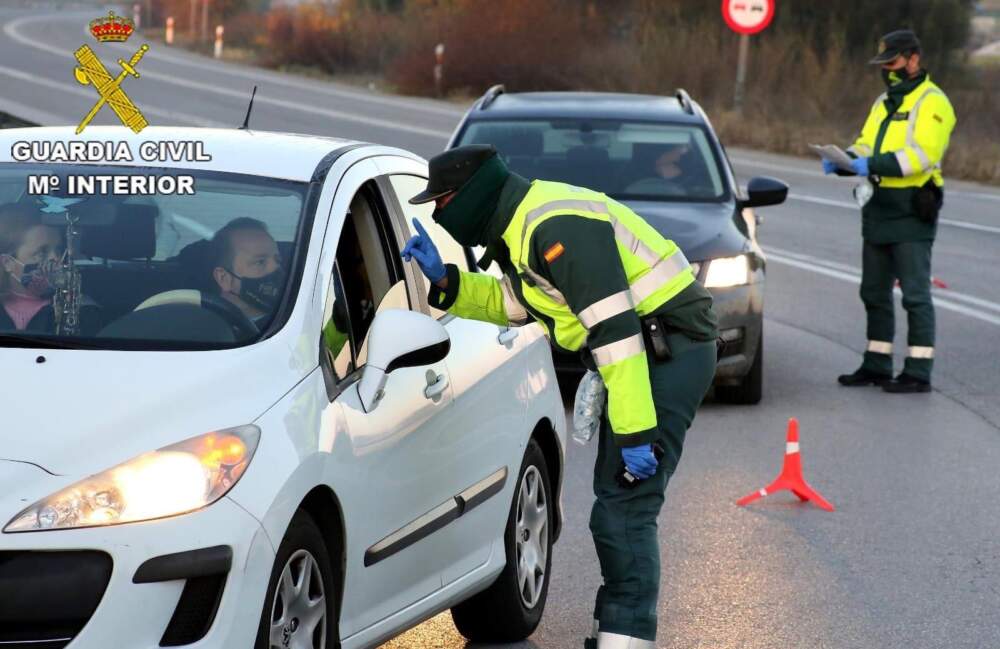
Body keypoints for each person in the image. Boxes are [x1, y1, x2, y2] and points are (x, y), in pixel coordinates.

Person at [402, 144, 719, 648]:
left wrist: (638, 433)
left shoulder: (553, 227)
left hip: (664, 352)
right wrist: (446, 282)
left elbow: (617, 337)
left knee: (626, 505)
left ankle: (627, 638)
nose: (439, 215)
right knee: (615, 501)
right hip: (648, 351)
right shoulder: (517, 227)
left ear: (471, 195)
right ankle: (614, 628)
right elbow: (516, 303)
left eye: (441, 202)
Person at [823, 29, 956, 393]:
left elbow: (922, 155)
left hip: (913, 208)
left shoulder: (934, 102)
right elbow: (867, 142)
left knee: (914, 294)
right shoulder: (884, 101)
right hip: (879, 206)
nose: (888, 70)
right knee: (874, 292)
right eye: (883, 64)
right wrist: (846, 159)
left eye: (893, 62)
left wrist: (871, 164)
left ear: (914, 59)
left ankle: (918, 370)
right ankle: (877, 363)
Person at [0, 204, 99, 335]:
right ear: (8, 263)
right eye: (42, 252)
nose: (56, 259)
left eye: (58, 250)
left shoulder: (80, 310)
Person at [209, 217, 284, 327]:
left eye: (278, 260)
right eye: (260, 262)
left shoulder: (293, 319)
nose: (276, 268)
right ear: (223, 278)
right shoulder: (200, 328)